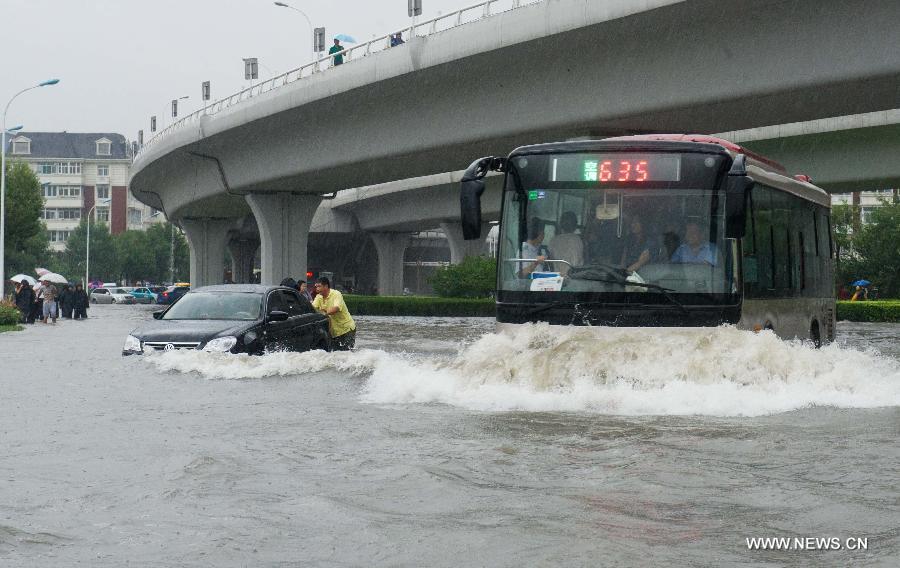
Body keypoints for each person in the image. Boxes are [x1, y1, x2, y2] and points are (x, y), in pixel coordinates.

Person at [312, 276, 356, 350]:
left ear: (326, 286)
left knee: (347, 353)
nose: (317, 289)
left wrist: (324, 313)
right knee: (335, 354)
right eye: (316, 287)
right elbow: (313, 309)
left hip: (346, 330)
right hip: (334, 332)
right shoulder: (318, 297)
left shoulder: (336, 294)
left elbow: (336, 308)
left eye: (319, 286)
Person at [548, 211, 583, 276]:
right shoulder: (578, 240)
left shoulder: (553, 240)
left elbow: (550, 261)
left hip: (557, 278)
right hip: (574, 278)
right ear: (575, 225)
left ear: (561, 225)